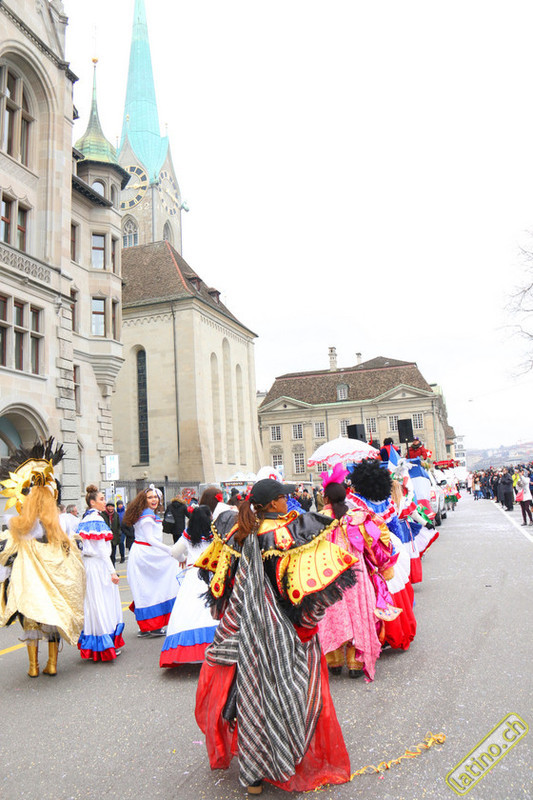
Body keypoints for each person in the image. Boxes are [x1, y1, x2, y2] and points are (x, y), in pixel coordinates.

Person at [195, 478, 356, 794]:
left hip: (247, 634)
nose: (288, 501)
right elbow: (310, 599)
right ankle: (289, 760)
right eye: (284, 497)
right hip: (290, 635)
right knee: (294, 700)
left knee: (252, 699)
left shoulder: (238, 534)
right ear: (272, 503)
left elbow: (221, 590)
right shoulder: (288, 536)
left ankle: (254, 774)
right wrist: (305, 628)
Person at [0, 440, 85, 677]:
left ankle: (33, 666)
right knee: (52, 619)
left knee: (30, 618)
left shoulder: (17, 527)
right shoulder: (61, 528)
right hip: (54, 583)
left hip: (28, 581)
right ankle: (52, 664)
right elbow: (74, 555)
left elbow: (5, 555)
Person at [317, 465, 384, 680]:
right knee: (357, 614)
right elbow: (373, 542)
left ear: (326, 498)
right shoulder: (356, 518)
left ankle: (334, 661)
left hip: (329, 574)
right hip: (355, 574)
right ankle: (355, 662)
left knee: (332, 614)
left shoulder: (317, 519)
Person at [160, 504, 224, 667]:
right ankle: (218, 646)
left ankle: (187, 651)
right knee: (213, 609)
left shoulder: (188, 535)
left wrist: (183, 559)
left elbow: (174, 552)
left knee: (188, 609)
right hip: (212, 573)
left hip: (193, 574)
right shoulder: (215, 533)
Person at [124, 485, 181, 637]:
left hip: (144, 553)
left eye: (155, 497)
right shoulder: (147, 515)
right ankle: (151, 625)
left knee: (148, 590)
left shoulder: (145, 513)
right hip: (146, 554)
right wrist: (170, 550)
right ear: (144, 500)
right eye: (150, 497)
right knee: (153, 589)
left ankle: (149, 625)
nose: (154, 500)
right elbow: (150, 539)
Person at [77, 485, 124, 661]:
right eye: (102, 499)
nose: (105, 502)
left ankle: (94, 646)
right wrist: (112, 572)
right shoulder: (97, 520)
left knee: (92, 605)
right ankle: (105, 645)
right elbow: (104, 551)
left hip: (88, 565)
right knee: (103, 604)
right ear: (92, 502)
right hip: (98, 566)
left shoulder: (84, 520)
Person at [102, 501, 123, 566]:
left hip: (114, 538)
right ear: (107, 507)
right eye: (109, 506)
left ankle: (113, 569)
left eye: (112, 506)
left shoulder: (116, 514)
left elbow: (118, 526)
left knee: (113, 555)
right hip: (106, 538)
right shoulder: (102, 515)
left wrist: (119, 534)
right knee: (107, 555)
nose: (110, 508)